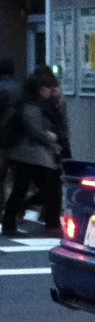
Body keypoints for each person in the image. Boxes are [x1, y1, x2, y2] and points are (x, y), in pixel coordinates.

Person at [1, 70, 62, 237]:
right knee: (48, 189)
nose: (52, 91)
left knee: (21, 188)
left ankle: (10, 221)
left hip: (28, 155)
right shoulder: (30, 106)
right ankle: (15, 216)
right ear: (39, 88)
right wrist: (50, 137)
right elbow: (37, 130)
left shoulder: (39, 103)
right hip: (31, 154)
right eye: (49, 88)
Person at [0, 59, 23, 214]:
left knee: (1, 176)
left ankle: (2, 206)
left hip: (2, 137)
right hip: (20, 137)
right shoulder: (21, 86)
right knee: (18, 177)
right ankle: (17, 209)